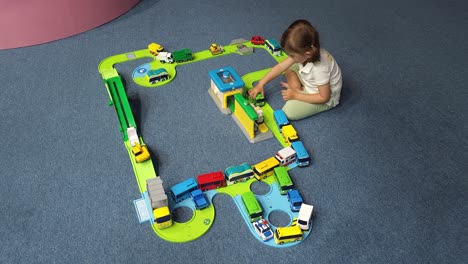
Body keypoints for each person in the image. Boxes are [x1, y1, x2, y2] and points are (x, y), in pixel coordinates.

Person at [249, 19, 342, 120]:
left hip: (324, 97)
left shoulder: (320, 69)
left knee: (289, 112)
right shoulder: (307, 52)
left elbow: (324, 97)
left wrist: (296, 96)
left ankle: (299, 91)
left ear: (307, 54)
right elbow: (281, 67)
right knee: (289, 68)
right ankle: (298, 89)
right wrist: (261, 83)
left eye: (292, 55)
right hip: (313, 82)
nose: (290, 57)